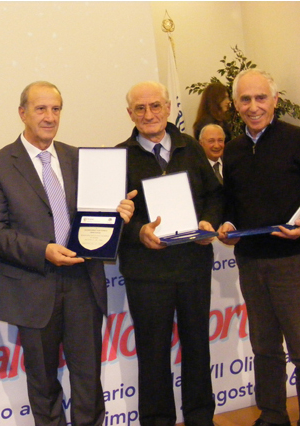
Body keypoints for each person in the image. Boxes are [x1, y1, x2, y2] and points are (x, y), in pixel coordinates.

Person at [0, 81, 136, 426]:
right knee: (43, 384)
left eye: (56, 109)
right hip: (33, 286)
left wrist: (116, 216)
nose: (50, 117)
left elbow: (97, 218)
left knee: (88, 381)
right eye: (41, 109)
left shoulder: (79, 158)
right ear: (22, 113)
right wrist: (43, 251)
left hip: (83, 283)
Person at [116, 81, 223, 426]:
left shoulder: (191, 148)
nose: (149, 114)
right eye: (141, 108)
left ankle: (200, 418)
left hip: (192, 266)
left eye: (156, 106)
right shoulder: (117, 158)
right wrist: (138, 232)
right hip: (145, 273)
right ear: (130, 113)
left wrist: (208, 220)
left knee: (197, 347)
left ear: (167, 108)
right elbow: (108, 218)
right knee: (153, 353)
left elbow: (215, 196)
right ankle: (157, 420)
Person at [218, 69, 300, 427]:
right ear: (236, 105)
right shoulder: (232, 150)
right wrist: (228, 227)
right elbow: (231, 204)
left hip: (291, 261)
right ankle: (272, 414)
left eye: (260, 98)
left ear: (275, 100)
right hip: (250, 261)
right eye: (246, 100)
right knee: (264, 346)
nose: (254, 107)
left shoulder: (295, 139)